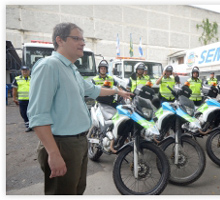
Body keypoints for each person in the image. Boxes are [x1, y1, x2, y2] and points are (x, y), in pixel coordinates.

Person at [28, 22, 134, 195]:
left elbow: (92, 90)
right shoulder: (49, 66)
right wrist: (53, 154)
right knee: (62, 193)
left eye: (82, 39)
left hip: (79, 141)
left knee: (77, 190)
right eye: (76, 38)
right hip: (62, 144)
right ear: (60, 40)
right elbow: (37, 115)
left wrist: (117, 91)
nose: (83, 43)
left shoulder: (71, 68)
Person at [12, 66, 32, 132]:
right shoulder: (17, 79)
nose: (25, 71)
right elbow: (14, 89)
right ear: (21, 71)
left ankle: (31, 125)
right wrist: (14, 98)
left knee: (32, 112)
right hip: (22, 99)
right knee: (23, 113)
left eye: (26, 70)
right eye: (23, 70)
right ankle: (28, 125)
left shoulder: (33, 78)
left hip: (32, 99)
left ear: (29, 71)